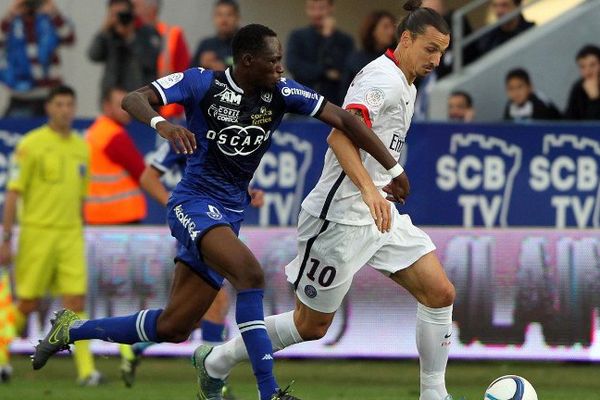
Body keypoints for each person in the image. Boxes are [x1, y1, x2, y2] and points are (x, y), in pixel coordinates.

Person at [31, 23, 407, 400]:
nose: (280, 68)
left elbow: (344, 119)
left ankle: (71, 331)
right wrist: (162, 124)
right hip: (192, 203)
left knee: (174, 326)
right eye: (273, 61)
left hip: (229, 214)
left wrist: (393, 168)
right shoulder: (201, 83)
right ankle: (269, 392)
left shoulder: (281, 91)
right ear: (247, 61)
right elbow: (134, 98)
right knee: (250, 274)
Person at [197, 3, 456, 400]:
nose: (436, 60)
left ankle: (434, 394)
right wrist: (370, 190)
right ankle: (217, 360)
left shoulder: (406, 81)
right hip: (338, 219)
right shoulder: (380, 80)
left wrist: (378, 189)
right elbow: (339, 137)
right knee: (310, 325)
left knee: (440, 293)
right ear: (406, 39)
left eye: (442, 52)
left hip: (379, 215)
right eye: (430, 49)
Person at [119, 140, 265, 400]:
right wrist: (181, 207)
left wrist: (248, 193)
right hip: (199, 226)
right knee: (217, 304)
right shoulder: (183, 134)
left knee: (194, 315)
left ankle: (138, 348)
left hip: (218, 223)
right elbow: (148, 177)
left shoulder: (222, 128)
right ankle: (215, 382)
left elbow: (220, 178)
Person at [0, 85, 102, 385]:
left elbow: (81, 197)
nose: (65, 110)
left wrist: (81, 230)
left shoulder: (81, 146)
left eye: (70, 104)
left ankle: (87, 371)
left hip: (70, 234)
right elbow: (14, 194)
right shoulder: (31, 144)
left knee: (76, 301)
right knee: (28, 304)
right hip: (37, 234)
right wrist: (7, 238)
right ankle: (2, 356)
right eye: (59, 104)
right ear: (48, 108)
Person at [0, 0, 75, 117]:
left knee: (54, 133)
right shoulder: (14, 22)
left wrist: (53, 12)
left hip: (50, 93)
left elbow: (69, 38)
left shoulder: (49, 19)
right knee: (14, 130)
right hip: (21, 94)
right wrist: (11, 12)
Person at [84, 87, 147, 224]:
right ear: (106, 106)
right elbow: (142, 173)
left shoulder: (95, 131)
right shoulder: (114, 136)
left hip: (97, 214)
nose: (126, 111)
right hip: (121, 215)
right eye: (120, 105)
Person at [286, 0, 354, 106]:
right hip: (302, 102)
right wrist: (325, 72)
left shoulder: (345, 40)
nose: (317, 13)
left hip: (335, 102)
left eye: (321, 8)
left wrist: (328, 38)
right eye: (312, 8)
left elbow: (345, 71)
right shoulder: (297, 37)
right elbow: (293, 65)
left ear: (331, 8)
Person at [88, 0, 161, 97]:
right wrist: (104, 29)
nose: (119, 18)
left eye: (123, 14)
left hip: (140, 97)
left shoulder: (147, 32)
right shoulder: (109, 34)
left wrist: (130, 37)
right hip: (112, 100)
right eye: (115, 14)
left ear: (132, 13)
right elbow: (94, 55)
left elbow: (149, 61)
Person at [133, 0, 190, 119]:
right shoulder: (129, 35)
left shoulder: (172, 35)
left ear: (152, 8)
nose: (131, 9)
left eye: (135, 5)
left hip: (167, 111)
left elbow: (186, 73)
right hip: (134, 108)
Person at [341, 10, 396, 92]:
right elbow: (345, 90)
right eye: (385, 27)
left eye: (393, 27)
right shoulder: (356, 59)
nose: (391, 32)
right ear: (372, 30)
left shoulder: (397, 58)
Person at [191, 0, 240, 70]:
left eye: (229, 15)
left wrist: (225, 70)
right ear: (213, 17)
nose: (224, 20)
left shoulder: (247, 44)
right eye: (219, 15)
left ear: (237, 18)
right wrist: (201, 65)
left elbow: (253, 73)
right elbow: (189, 75)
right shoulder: (205, 45)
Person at [565, 44, 600, 120]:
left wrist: (595, 99)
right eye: (582, 67)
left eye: (593, 65)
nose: (588, 71)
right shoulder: (578, 87)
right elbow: (569, 120)